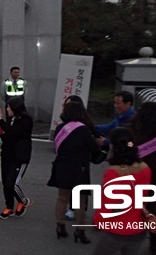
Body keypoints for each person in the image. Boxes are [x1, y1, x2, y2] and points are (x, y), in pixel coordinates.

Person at [92, 127, 152, 255]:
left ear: (113, 146)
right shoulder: (145, 168)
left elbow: (107, 204)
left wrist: (99, 222)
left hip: (115, 230)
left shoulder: (113, 172)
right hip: (138, 228)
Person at [47, 101, 99, 243]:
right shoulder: (83, 130)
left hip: (62, 165)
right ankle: (80, 231)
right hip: (79, 168)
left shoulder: (60, 128)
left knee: (62, 197)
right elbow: (94, 148)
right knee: (80, 201)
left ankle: (60, 226)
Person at [127, 101, 156, 254]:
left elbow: (127, 148)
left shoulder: (131, 129)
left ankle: (127, 239)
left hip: (134, 170)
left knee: (130, 206)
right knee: (152, 210)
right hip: (155, 172)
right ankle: (154, 243)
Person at [0, 97, 33, 219]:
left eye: (9, 107)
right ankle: (9, 207)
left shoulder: (26, 120)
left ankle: (23, 201)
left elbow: (13, 133)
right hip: (7, 154)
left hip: (20, 156)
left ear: (15, 108)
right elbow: (8, 135)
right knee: (6, 182)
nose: (7, 109)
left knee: (12, 183)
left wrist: (0, 121)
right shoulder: (11, 119)